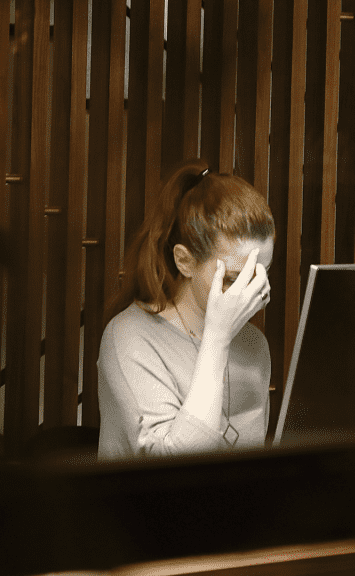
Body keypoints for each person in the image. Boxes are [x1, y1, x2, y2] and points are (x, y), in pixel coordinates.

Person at [97, 160, 275, 460]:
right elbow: (176, 469)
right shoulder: (128, 337)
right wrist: (217, 339)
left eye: (262, 273)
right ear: (185, 261)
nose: (252, 292)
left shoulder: (254, 343)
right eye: (234, 278)